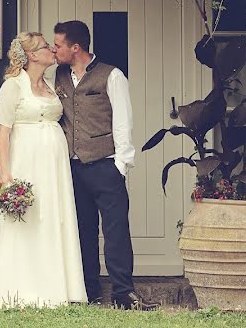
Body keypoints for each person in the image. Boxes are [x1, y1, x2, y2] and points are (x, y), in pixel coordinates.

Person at [52, 20, 158, 311]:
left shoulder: (112, 76)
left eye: (58, 44)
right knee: (83, 231)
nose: (54, 49)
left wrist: (121, 164)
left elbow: (123, 121)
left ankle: (124, 293)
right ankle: (88, 289)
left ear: (76, 47)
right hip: (74, 168)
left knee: (116, 233)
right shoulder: (58, 76)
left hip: (105, 166)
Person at [0, 32, 87, 308]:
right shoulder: (12, 87)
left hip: (54, 165)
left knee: (53, 216)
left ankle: (57, 286)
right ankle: (23, 285)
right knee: (28, 218)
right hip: (26, 159)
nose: (52, 50)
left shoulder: (51, 84)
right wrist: (5, 173)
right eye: (45, 47)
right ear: (32, 56)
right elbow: (3, 133)